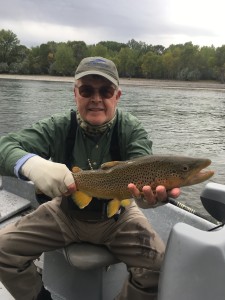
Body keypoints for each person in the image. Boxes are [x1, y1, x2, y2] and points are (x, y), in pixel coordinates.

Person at [0, 56, 180, 300]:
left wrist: (150, 199)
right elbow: (6, 146)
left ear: (117, 96)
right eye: (87, 90)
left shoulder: (131, 129)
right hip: (65, 212)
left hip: (119, 217)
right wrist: (29, 164)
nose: (96, 99)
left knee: (161, 269)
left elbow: (144, 169)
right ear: (75, 94)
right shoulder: (59, 126)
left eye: (105, 90)